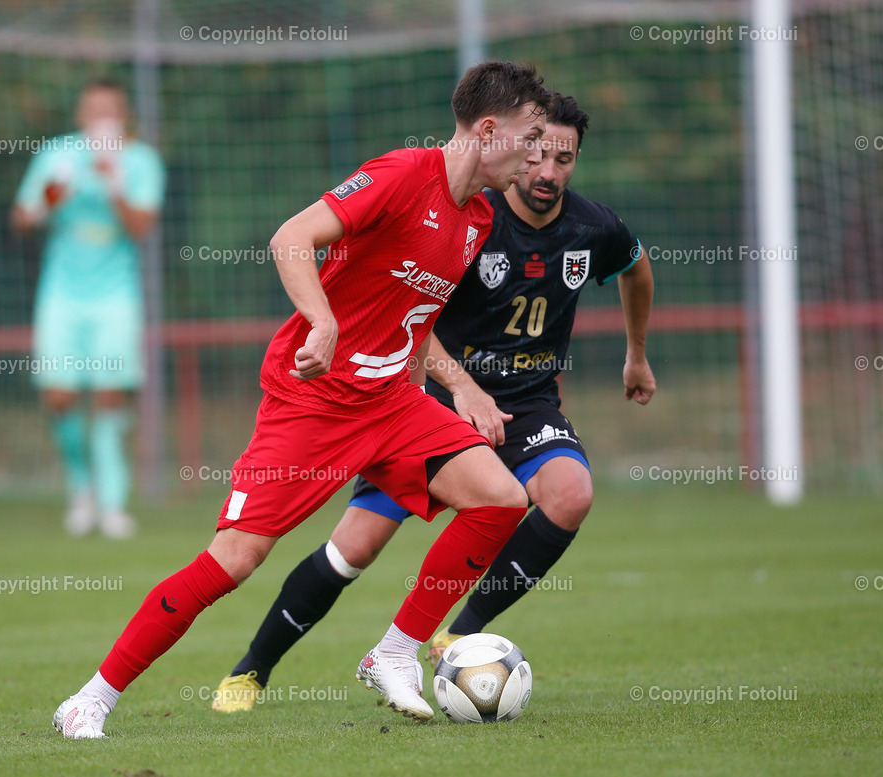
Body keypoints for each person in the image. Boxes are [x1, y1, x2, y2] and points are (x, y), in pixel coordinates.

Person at [52, 61, 553, 738]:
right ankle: (92, 697)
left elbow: (416, 314)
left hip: (391, 404)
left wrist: (460, 385)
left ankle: (395, 651)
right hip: (313, 402)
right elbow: (291, 237)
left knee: (501, 497)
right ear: (489, 130)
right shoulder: (403, 174)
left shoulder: (479, 214)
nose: (535, 153)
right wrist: (322, 319)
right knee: (234, 560)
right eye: (528, 136)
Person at [211, 93, 656, 713]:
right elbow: (415, 316)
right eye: (538, 153)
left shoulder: (592, 226)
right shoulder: (473, 215)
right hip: (434, 402)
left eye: (565, 158)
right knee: (355, 547)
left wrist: (636, 352)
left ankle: (457, 632)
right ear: (514, 147)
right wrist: (461, 386)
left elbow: (637, 268)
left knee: (570, 493)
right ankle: (252, 668)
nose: (548, 171)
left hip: (525, 403)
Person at [11, 78, 165, 539]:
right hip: (61, 295)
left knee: (109, 395)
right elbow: (21, 219)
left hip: (115, 296)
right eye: (93, 109)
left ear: (125, 117)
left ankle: (114, 503)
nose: (102, 118)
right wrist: (59, 193)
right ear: (80, 116)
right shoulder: (56, 155)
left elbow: (141, 227)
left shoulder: (141, 161)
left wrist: (113, 183)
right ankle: (82, 487)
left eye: (111, 110)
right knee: (59, 397)